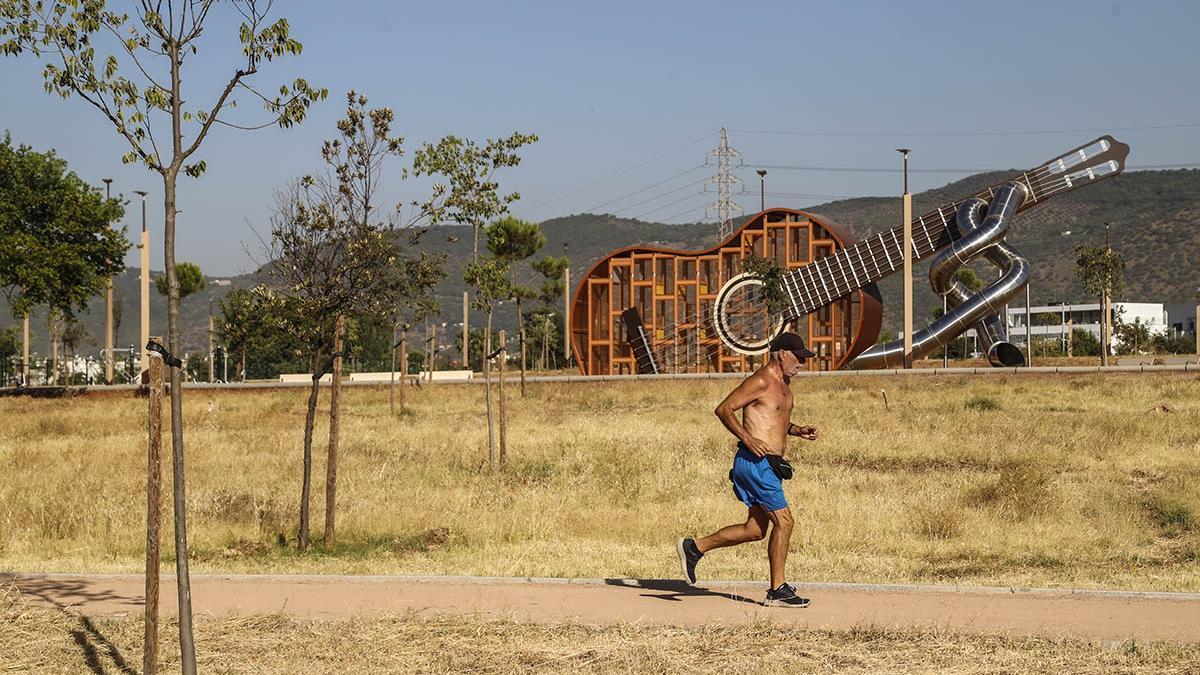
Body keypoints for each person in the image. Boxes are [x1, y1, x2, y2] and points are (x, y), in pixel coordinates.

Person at [676, 331, 819, 608]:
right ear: (782, 354)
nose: (802, 363)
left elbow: (774, 420)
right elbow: (724, 409)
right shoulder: (762, 380)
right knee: (785, 522)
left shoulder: (784, 384)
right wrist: (748, 438)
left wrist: (798, 430)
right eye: (799, 357)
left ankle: (694, 548)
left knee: (754, 529)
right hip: (755, 463)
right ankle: (778, 590)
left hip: (768, 466)